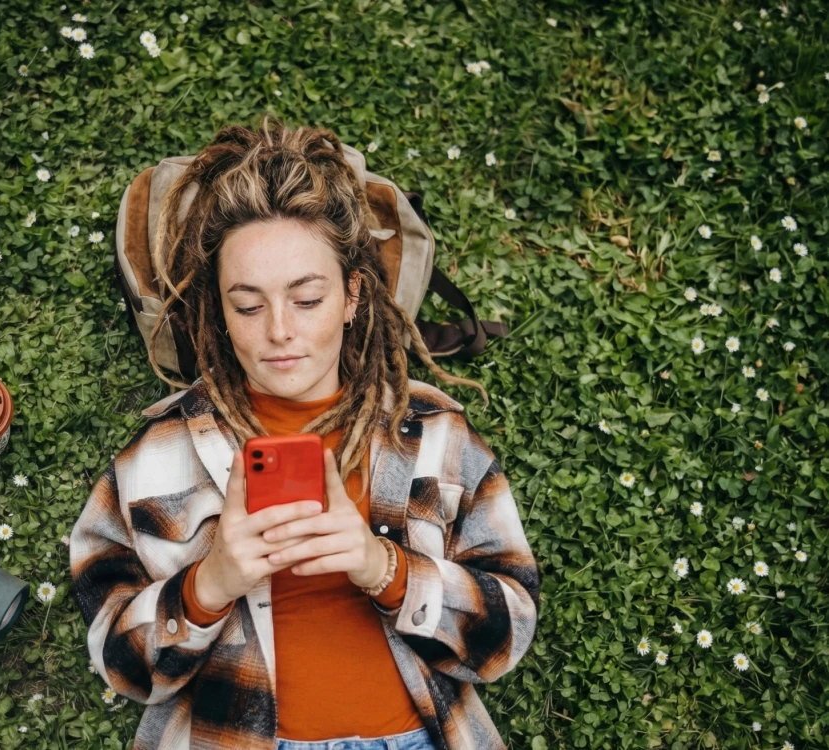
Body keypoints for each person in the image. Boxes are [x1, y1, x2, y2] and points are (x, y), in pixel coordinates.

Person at [69, 115, 540, 750]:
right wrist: (210, 584)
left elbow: (508, 633)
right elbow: (120, 664)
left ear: (352, 298)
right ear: (220, 314)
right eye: (248, 304)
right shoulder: (157, 455)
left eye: (308, 299)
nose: (280, 331)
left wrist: (383, 569)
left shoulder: (436, 436)